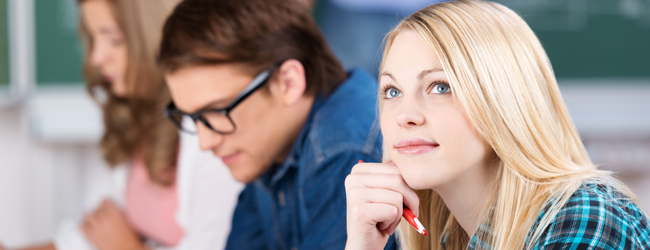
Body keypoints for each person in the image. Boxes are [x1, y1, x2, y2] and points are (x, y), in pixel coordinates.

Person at [344, 0, 650, 249]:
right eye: (392, 91)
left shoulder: (584, 219)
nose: (404, 115)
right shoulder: (453, 239)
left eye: (440, 87)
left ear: (503, 99)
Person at [157, 0, 393, 249]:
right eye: (194, 118)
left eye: (218, 111)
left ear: (287, 83)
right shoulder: (269, 144)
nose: (205, 142)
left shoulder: (346, 156)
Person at [9, 0, 241, 249]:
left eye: (114, 40)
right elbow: (96, 232)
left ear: (154, 37)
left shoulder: (210, 134)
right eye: (93, 38)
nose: (97, 57)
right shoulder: (138, 120)